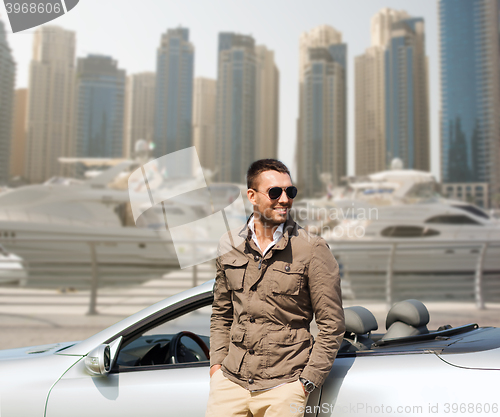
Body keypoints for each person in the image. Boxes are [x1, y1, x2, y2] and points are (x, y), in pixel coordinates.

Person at [206, 159, 345, 417]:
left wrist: (305, 383)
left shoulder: (312, 249)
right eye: (274, 192)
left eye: (290, 192)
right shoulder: (228, 244)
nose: (284, 199)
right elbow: (221, 313)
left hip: (285, 386)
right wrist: (217, 367)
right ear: (252, 196)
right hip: (230, 383)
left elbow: (332, 324)